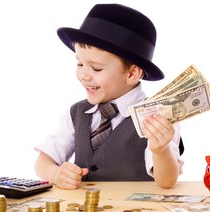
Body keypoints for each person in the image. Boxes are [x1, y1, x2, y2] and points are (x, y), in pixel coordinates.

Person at [35, 3, 184, 190]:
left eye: (96, 68)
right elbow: (44, 160)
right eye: (80, 64)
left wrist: (160, 151)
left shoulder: (158, 115)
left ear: (131, 74)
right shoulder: (77, 112)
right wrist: (55, 174)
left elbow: (167, 181)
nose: (83, 75)